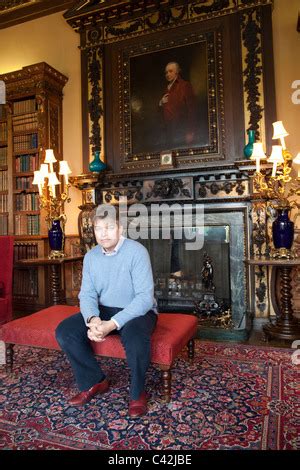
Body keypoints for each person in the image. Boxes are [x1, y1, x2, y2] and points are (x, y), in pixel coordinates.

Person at [55, 205, 158, 418]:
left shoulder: (137, 252)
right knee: (65, 331)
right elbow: (87, 294)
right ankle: (95, 381)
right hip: (104, 309)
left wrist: (111, 324)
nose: (103, 234)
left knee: (136, 338)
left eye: (109, 227)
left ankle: (138, 393)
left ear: (120, 228)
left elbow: (144, 298)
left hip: (138, 311)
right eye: (98, 228)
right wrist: (93, 319)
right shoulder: (91, 256)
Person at [159, 61, 197, 148]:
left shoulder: (185, 85)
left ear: (177, 72)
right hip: (168, 131)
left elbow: (192, 110)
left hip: (181, 130)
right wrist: (161, 102)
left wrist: (190, 131)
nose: (168, 74)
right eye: (166, 72)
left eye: (170, 71)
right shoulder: (166, 88)